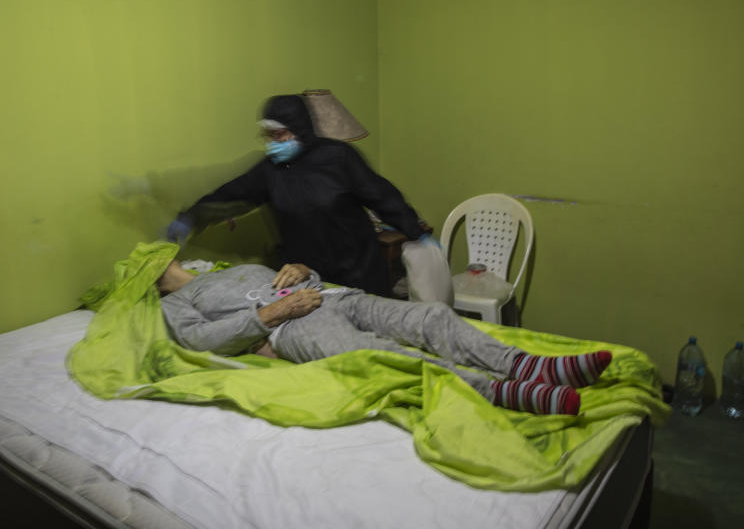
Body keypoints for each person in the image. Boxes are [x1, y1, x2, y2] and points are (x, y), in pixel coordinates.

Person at [157, 259, 613, 415]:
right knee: (375, 354)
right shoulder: (173, 304)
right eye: (163, 262)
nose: (177, 262)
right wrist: (267, 316)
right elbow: (199, 342)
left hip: (331, 294)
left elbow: (294, 276)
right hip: (291, 324)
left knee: (432, 316)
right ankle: (502, 391)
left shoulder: (227, 268)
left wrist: (304, 270)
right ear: (152, 278)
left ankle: (530, 365)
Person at [164, 94, 429, 297]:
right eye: (268, 136)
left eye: (279, 135)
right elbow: (230, 194)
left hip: (357, 269)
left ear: (299, 129)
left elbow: (382, 195)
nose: (272, 143)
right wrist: (190, 216)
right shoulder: (269, 170)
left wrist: (415, 231)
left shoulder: (339, 157)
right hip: (304, 273)